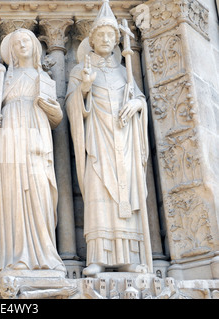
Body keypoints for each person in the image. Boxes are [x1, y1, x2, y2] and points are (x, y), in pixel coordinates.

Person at [65, 0, 150, 276]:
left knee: (126, 196)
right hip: (99, 144)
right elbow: (72, 107)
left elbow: (138, 98)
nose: (105, 39)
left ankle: (128, 257)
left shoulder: (123, 72)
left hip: (124, 143)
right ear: (91, 39)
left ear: (116, 41)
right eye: (100, 34)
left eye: (110, 36)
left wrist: (137, 105)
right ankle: (98, 256)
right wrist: (85, 89)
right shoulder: (80, 71)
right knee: (100, 194)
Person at [0, 28, 66, 277]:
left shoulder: (43, 77)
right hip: (10, 135)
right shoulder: (6, 79)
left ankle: (45, 254)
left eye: (27, 41)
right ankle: (16, 256)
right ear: (11, 49)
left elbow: (57, 116)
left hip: (37, 132)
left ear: (34, 47)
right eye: (18, 42)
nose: (22, 45)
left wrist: (48, 107)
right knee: (12, 191)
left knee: (40, 187)